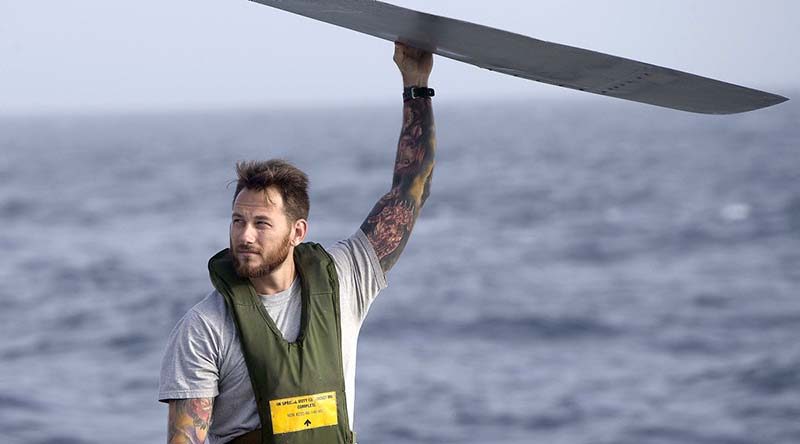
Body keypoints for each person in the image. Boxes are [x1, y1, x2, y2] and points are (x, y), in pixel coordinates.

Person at [158, 42, 435, 444]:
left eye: (261, 223)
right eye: (238, 221)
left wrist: (416, 83)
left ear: (297, 232)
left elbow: (411, 190)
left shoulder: (344, 279)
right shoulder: (204, 328)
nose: (244, 235)